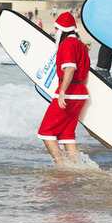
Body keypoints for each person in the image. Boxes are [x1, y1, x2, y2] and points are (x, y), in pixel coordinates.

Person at [38, 12, 90, 166]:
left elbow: (69, 69)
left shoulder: (67, 44)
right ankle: (75, 166)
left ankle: (60, 165)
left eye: (56, 28)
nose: (55, 32)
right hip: (80, 94)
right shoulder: (80, 45)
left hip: (69, 93)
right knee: (67, 134)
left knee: (46, 132)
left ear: (62, 29)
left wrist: (62, 92)